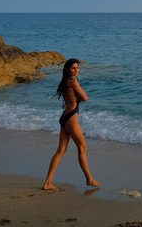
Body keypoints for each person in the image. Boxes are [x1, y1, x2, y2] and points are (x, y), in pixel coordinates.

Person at [43, 58, 100, 190]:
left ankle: (47, 183)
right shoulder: (73, 81)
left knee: (60, 151)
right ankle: (89, 179)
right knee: (82, 148)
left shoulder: (64, 81)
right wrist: (80, 90)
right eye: (74, 68)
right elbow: (85, 98)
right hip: (70, 120)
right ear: (68, 69)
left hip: (64, 117)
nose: (76, 70)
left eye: (78, 68)